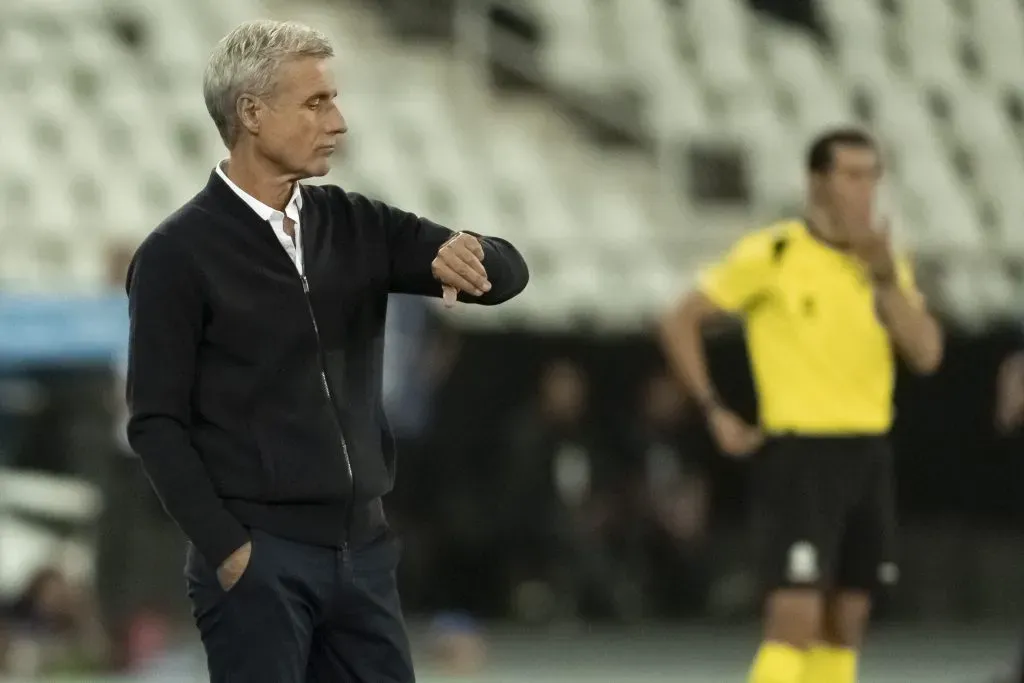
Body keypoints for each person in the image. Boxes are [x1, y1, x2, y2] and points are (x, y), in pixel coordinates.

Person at [124, 19, 528, 683]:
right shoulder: (176, 255)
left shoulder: (356, 224)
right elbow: (155, 423)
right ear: (251, 113)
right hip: (260, 561)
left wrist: (478, 252)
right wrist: (230, 549)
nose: (337, 121)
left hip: (363, 553)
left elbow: (507, 274)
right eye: (317, 102)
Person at [659, 128, 943, 683]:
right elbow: (680, 319)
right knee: (795, 616)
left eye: (872, 176)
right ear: (818, 182)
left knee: (848, 619)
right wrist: (714, 409)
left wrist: (885, 277)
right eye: (852, 175)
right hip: (801, 453)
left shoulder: (885, 262)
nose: (865, 190)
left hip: (868, 450)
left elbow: (926, 353)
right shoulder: (775, 253)